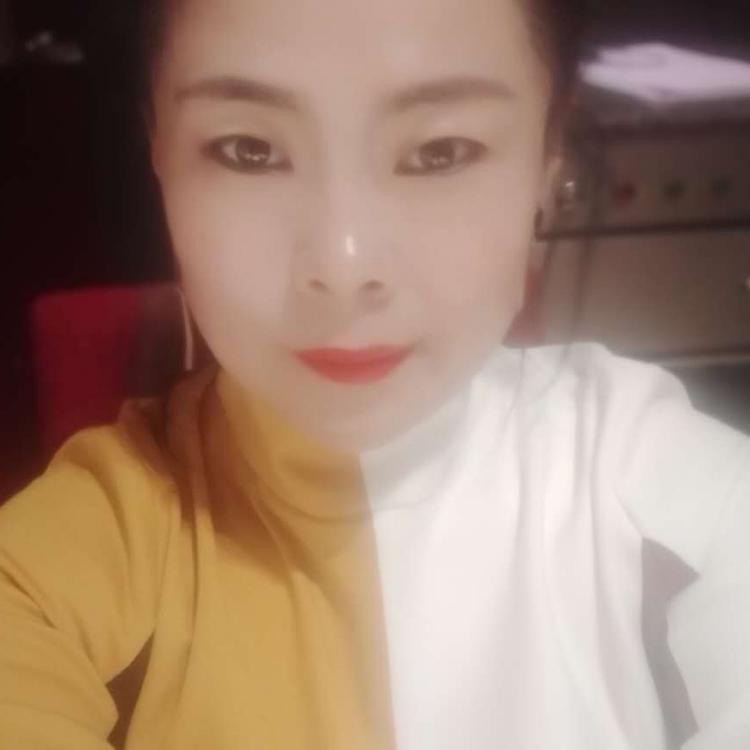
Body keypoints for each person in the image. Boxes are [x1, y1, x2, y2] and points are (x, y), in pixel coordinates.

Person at [1, 0, 749, 747]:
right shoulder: (66, 564)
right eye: (248, 149)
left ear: (547, 158)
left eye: (440, 152)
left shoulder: (641, 481)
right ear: (158, 150)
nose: (343, 264)